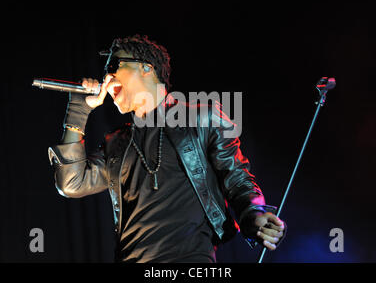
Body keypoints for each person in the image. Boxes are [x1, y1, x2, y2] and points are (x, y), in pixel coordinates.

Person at [48, 34, 286, 263]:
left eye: (114, 65)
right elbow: (71, 183)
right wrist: (78, 110)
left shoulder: (201, 117)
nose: (107, 78)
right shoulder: (116, 143)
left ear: (147, 67)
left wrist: (254, 214)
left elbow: (237, 179)